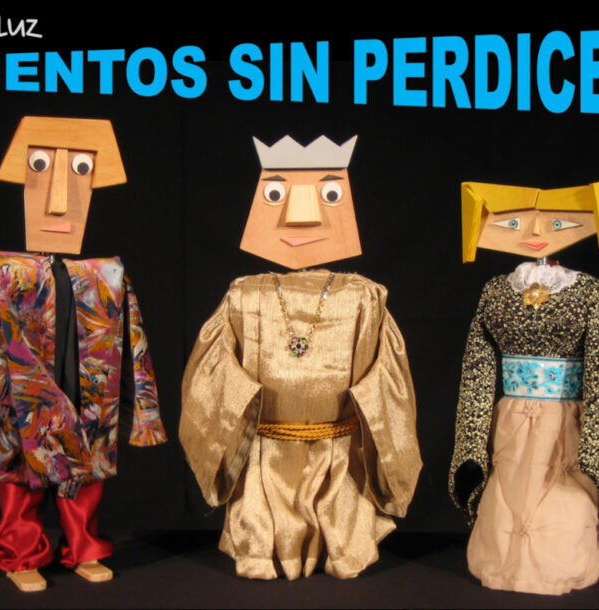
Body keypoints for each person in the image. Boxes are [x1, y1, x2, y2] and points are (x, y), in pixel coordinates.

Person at [0, 117, 167, 592]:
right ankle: (21, 553)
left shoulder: (107, 274)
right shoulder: (0, 270)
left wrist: (143, 412)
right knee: (20, 475)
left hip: (87, 390)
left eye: (80, 171)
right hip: (19, 394)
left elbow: (134, 343)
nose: (60, 199)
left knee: (85, 471)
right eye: (42, 168)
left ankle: (84, 547)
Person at [180, 135, 422, 580]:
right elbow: (210, 382)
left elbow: (387, 384)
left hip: (338, 459)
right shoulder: (243, 295)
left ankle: (340, 541)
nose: (302, 215)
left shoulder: (364, 297)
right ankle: (264, 543)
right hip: (266, 456)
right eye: (277, 194)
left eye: (328, 195)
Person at [449, 179, 599, 595]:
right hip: (512, 415)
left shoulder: (589, 292)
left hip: (565, 417)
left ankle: (558, 564)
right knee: (510, 489)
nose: (535, 234)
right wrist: (472, 432)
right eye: (515, 223)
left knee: (562, 492)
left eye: (555, 223)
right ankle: (503, 563)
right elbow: (477, 365)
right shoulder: (496, 291)